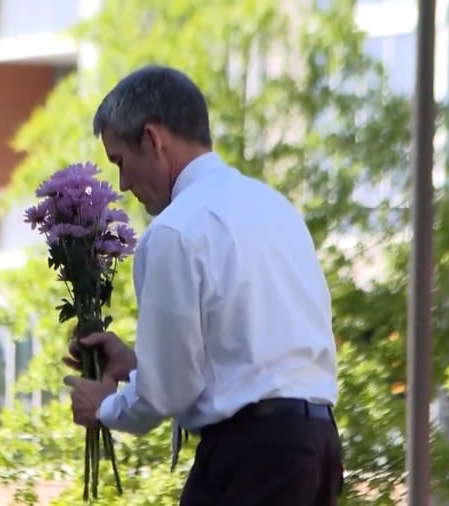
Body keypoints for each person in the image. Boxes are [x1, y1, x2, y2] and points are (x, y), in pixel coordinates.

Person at [62, 64, 343, 505]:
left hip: (251, 454)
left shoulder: (176, 230)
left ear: (152, 140)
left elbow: (168, 392)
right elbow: (247, 356)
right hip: (316, 448)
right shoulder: (275, 208)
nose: (123, 184)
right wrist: (139, 364)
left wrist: (104, 406)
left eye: (120, 161)